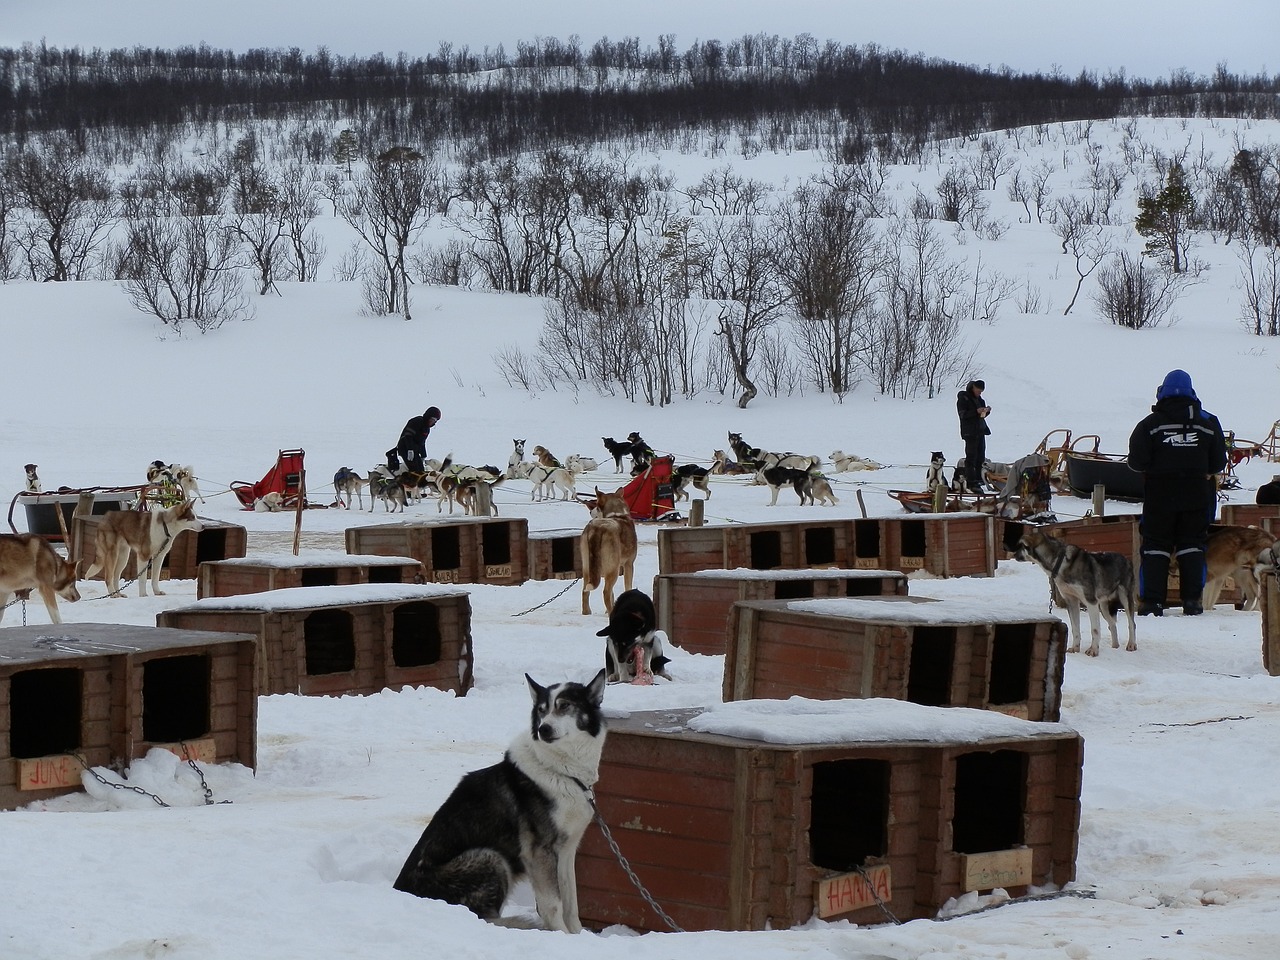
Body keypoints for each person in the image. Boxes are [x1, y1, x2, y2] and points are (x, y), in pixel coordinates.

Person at [1127, 370, 1227, 617]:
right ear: (1192, 392)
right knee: (1193, 546)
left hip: (1159, 497)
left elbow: (1136, 462)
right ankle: (1192, 602)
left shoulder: (1149, 425)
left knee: (1155, 547)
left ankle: (1152, 604)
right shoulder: (1208, 423)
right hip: (1196, 496)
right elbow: (1218, 464)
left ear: (1162, 393)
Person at [956, 379, 992, 492]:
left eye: (981, 392)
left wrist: (986, 411)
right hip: (970, 432)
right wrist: (975, 411)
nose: (979, 393)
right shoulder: (964, 398)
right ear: (973, 388)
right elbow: (963, 415)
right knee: (971, 457)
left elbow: (981, 416)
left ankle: (978, 478)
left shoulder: (980, 400)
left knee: (980, 457)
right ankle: (971, 481)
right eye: (978, 391)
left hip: (980, 431)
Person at [386, 406, 441, 473]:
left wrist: (423, 455)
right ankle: (407, 481)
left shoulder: (426, 429)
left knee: (421, 470)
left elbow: (422, 442)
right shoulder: (416, 421)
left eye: (435, 420)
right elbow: (408, 436)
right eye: (432, 419)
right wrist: (410, 450)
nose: (433, 421)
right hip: (405, 448)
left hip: (415, 451)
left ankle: (417, 482)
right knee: (414, 469)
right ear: (428, 416)